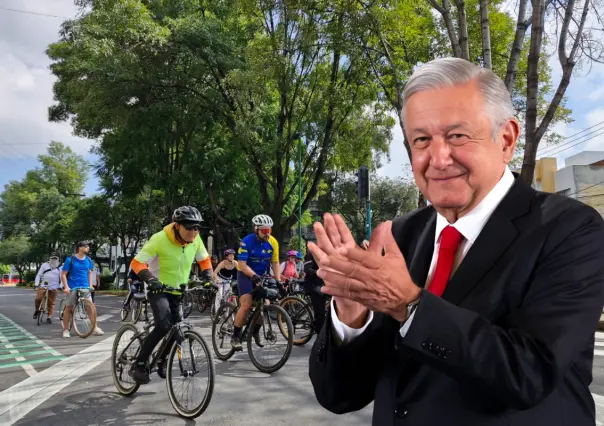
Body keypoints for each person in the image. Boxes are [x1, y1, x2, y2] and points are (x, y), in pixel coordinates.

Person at [307, 57, 604, 426]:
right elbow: (339, 395)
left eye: (457, 136)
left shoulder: (570, 230)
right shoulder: (401, 236)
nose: (438, 158)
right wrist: (352, 318)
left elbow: (531, 373)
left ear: (507, 139)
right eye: (421, 140)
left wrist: (408, 305)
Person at [128, 206, 214, 384]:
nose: (193, 231)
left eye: (197, 227)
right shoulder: (159, 239)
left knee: (178, 327)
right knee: (164, 325)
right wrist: (151, 280)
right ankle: (139, 364)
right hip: (157, 289)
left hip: (178, 290)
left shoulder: (196, 240)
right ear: (177, 225)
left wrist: (208, 277)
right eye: (189, 227)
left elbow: (204, 259)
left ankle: (162, 359)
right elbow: (137, 263)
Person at [232, 214, 281, 350]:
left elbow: (275, 262)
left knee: (265, 304)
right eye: (264, 231)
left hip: (262, 275)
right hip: (245, 274)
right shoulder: (246, 241)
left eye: (269, 230)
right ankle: (235, 336)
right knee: (247, 304)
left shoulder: (273, 242)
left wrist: (278, 280)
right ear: (256, 230)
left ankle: (254, 331)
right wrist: (253, 276)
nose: (267, 233)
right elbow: (241, 264)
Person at [61, 241, 104, 338]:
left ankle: (95, 327)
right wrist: (66, 287)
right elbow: (63, 274)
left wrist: (90, 285)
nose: (88, 248)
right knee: (69, 308)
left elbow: (89, 273)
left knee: (91, 307)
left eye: (88, 246)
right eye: (86, 246)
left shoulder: (88, 260)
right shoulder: (70, 259)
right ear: (79, 248)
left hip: (85, 287)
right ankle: (66, 330)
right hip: (72, 286)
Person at [33, 251, 63, 323]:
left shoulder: (60, 267)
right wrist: (36, 284)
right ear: (50, 258)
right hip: (44, 285)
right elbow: (39, 275)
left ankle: (49, 317)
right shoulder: (44, 265)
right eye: (52, 258)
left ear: (58, 259)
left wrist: (60, 286)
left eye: (55, 258)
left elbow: (62, 278)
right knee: (38, 298)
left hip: (54, 286)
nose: (54, 260)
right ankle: (37, 310)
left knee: (51, 303)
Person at [302, 250, 326, 333]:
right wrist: (318, 272)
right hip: (313, 284)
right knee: (320, 312)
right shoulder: (313, 252)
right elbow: (306, 269)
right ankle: (320, 334)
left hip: (325, 284)